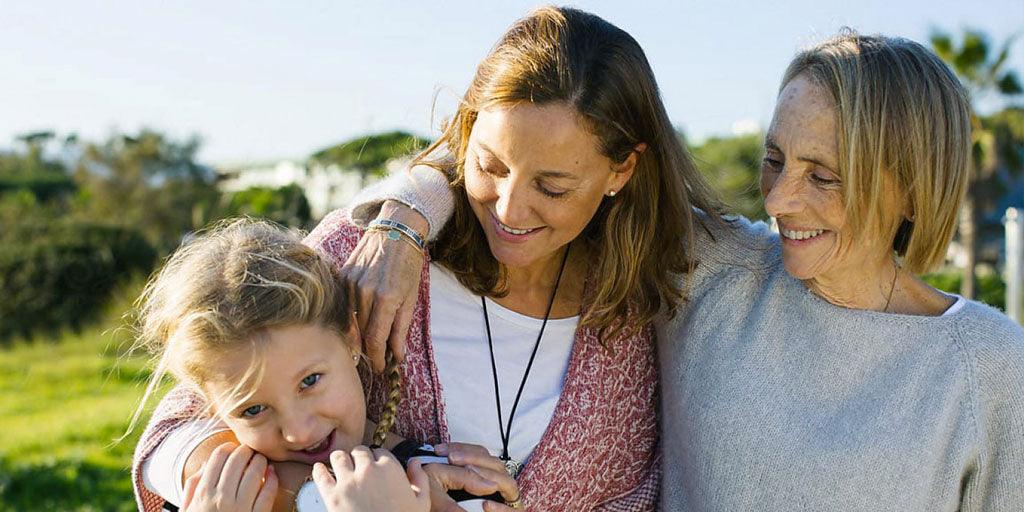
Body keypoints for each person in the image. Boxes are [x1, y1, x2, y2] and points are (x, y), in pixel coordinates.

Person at [349, 31, 1024, 510]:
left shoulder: (988, 366)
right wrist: (404, 220)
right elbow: (528, 150)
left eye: (823, 176)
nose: (779, 200)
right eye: (775, 160)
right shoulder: (712, 269)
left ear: (913, 187)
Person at [133, 6, 723, 511]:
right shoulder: (366, 252)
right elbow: (182, 424)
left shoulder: (642, 302)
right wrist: (331, 493)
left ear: (622, 169)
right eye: (490, 165)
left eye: (552, 186)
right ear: (467, 130)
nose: (509, 208)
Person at [127, 218, 436, 512]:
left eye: (310, 381)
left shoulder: (441, 483)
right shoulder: (208, 499)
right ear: (211, 408)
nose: (299, 433)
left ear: (351, 338)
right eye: (253, 410)